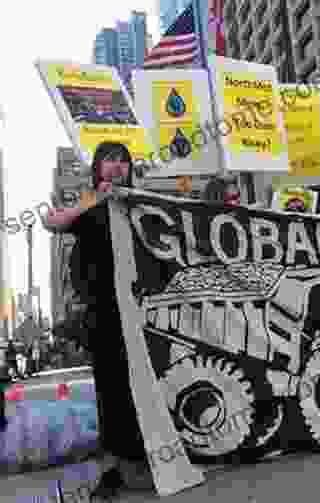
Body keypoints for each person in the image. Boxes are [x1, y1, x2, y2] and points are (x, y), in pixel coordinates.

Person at [44, 142, 154, 496]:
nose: (117, 166)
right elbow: (53, 221)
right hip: (102, 311)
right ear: (97, 167)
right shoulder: (90, 202)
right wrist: (97, 199)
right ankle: (113, 468)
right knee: (110, 388)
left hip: (140, 310)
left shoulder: (137, 202)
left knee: (142, 385)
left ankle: (150, 457)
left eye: (124, 161)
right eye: (110, 160)